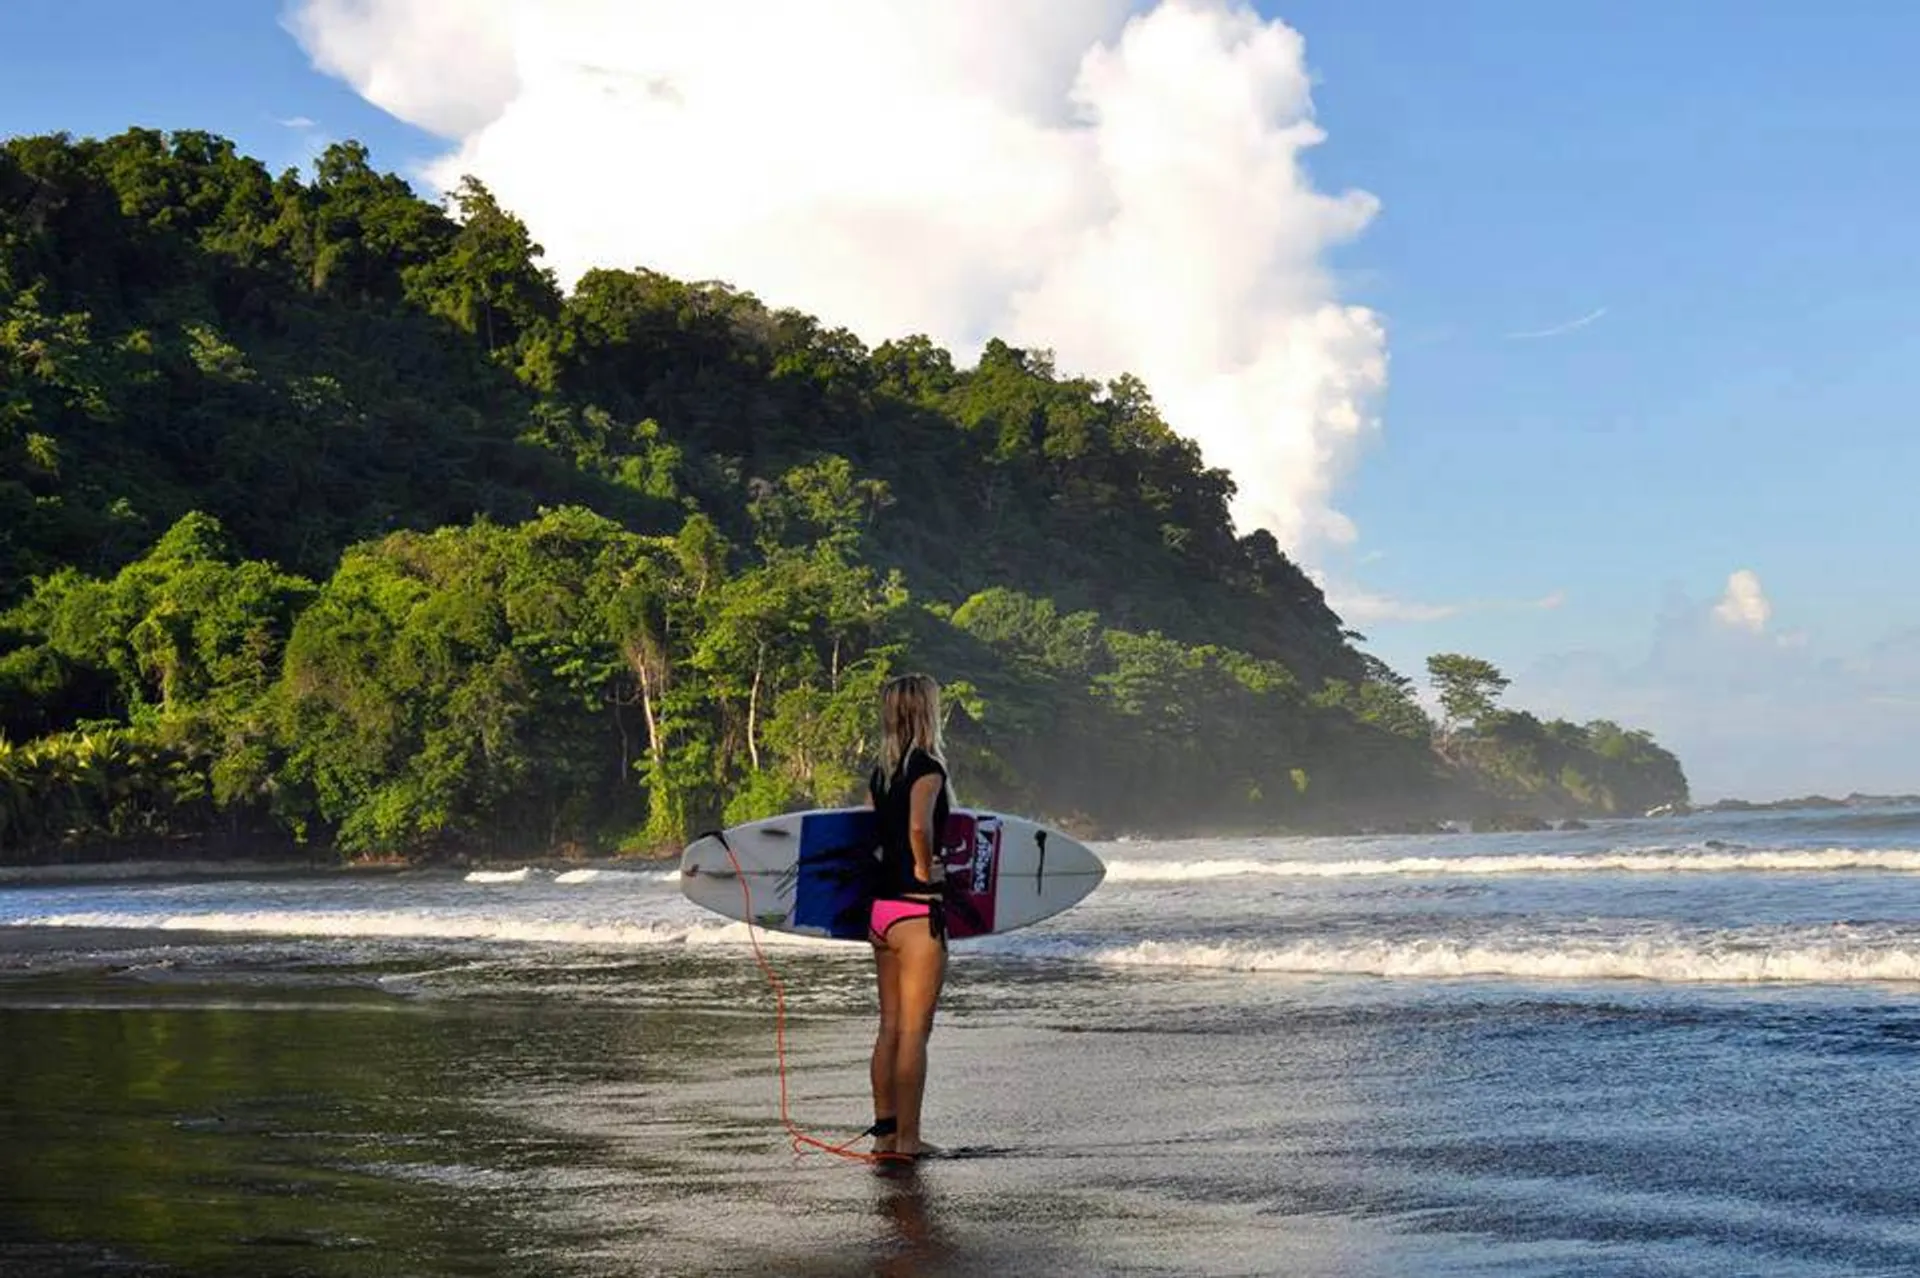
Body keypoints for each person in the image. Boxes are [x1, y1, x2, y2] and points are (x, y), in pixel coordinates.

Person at [864, 672, 952, 1161]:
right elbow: (919, 824)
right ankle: (910, 1141)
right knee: (916, 1032)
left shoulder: (881, 772)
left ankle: (884, 1136)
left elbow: (873, 833)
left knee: (890, 1028)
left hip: (881, 914)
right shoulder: (927, 768)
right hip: (919, 913)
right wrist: (923, 867)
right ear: (927, 712)